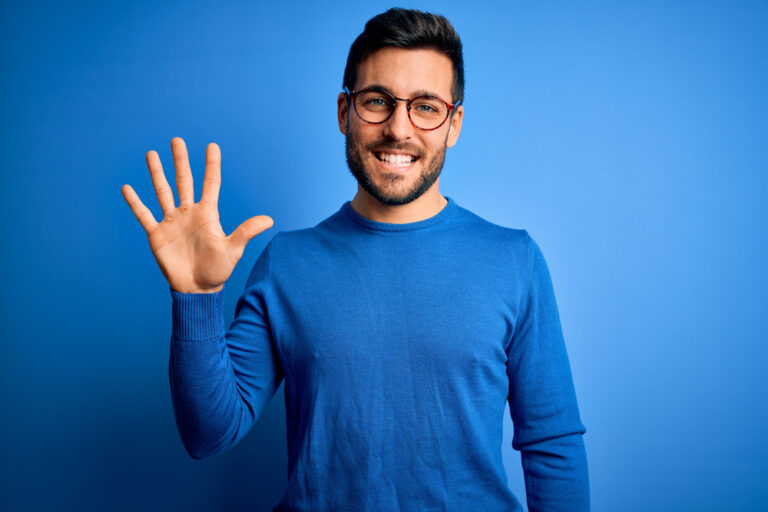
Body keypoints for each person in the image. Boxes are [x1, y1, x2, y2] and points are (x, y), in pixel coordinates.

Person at [121, 7, 589, 512]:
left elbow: (553, 444)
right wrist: (197, 297)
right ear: (344, 111)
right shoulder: (286, 262)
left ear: (453, 124)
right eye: (376, 101)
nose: (398, 128)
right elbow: (208, 434)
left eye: (425, 107)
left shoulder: (514, 260)